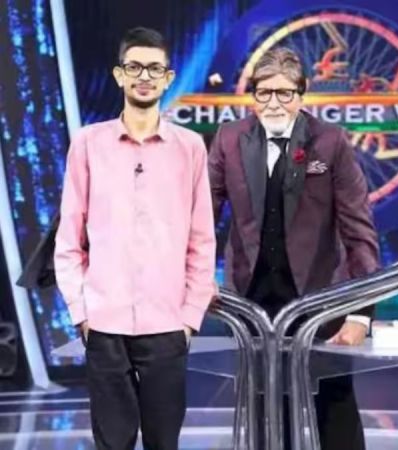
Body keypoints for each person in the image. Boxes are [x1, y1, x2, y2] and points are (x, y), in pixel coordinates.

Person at [207, 47, 379, 450]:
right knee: (263, 415)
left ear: (302, 94)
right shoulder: (229, 139)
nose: (274, 103)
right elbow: (201, 219)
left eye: (284, 93)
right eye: (264, 92)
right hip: (252, 306)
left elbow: (359, 232)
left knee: (334, 413)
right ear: (253, 95)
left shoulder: (330, 141)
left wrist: (360, 314)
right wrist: (196, 279)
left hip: (322, 302)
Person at [54, 27, 217, 450]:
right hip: (103, 324)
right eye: (135, 67)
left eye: (154, 69)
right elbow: (69, 238)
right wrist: (82, 313)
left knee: (164, 442)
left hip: (168, 325)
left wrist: (189, 317)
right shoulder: (88, 144)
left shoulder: (190, 147)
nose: (144, 76)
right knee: (112, 443)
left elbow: (202, 238)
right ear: (119, 74)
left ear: (168, 77)